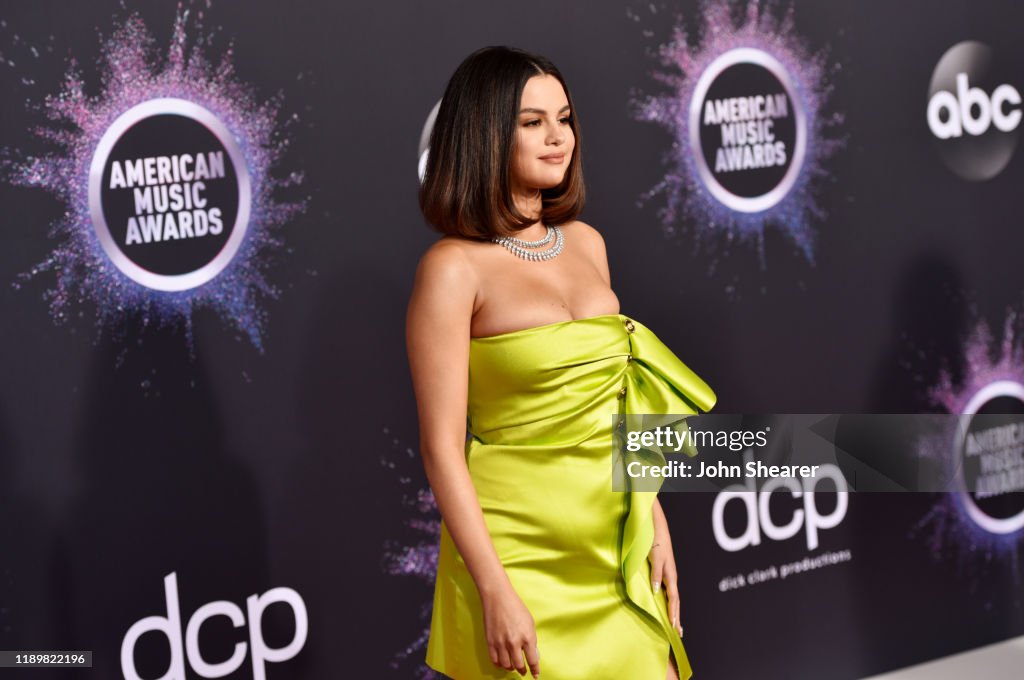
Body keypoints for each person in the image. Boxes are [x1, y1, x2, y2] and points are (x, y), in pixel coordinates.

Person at [406, 46, 716, 680]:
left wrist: (652, 522)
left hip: (614, 540)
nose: (558, 138)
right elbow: (442, 449)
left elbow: (617, 404)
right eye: (532, 122)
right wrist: (493, 588)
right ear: (486, 136)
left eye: (565, 118)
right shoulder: (452, 269)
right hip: (517, 555)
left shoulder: (587, 244)